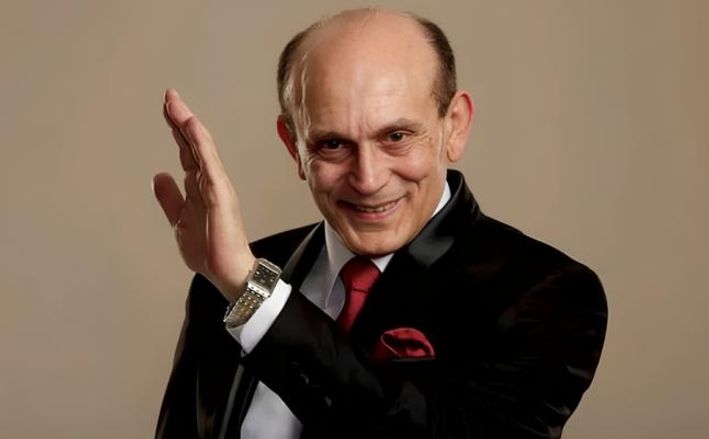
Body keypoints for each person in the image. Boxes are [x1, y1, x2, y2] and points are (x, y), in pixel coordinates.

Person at [153, 8, 607, 439]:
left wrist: (256, 296)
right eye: (333, 144)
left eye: (396, 136)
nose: (368, 180)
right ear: (294, 147)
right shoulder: (227, 281)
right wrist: (240, 283)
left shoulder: (548, 293)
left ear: (455, 126)